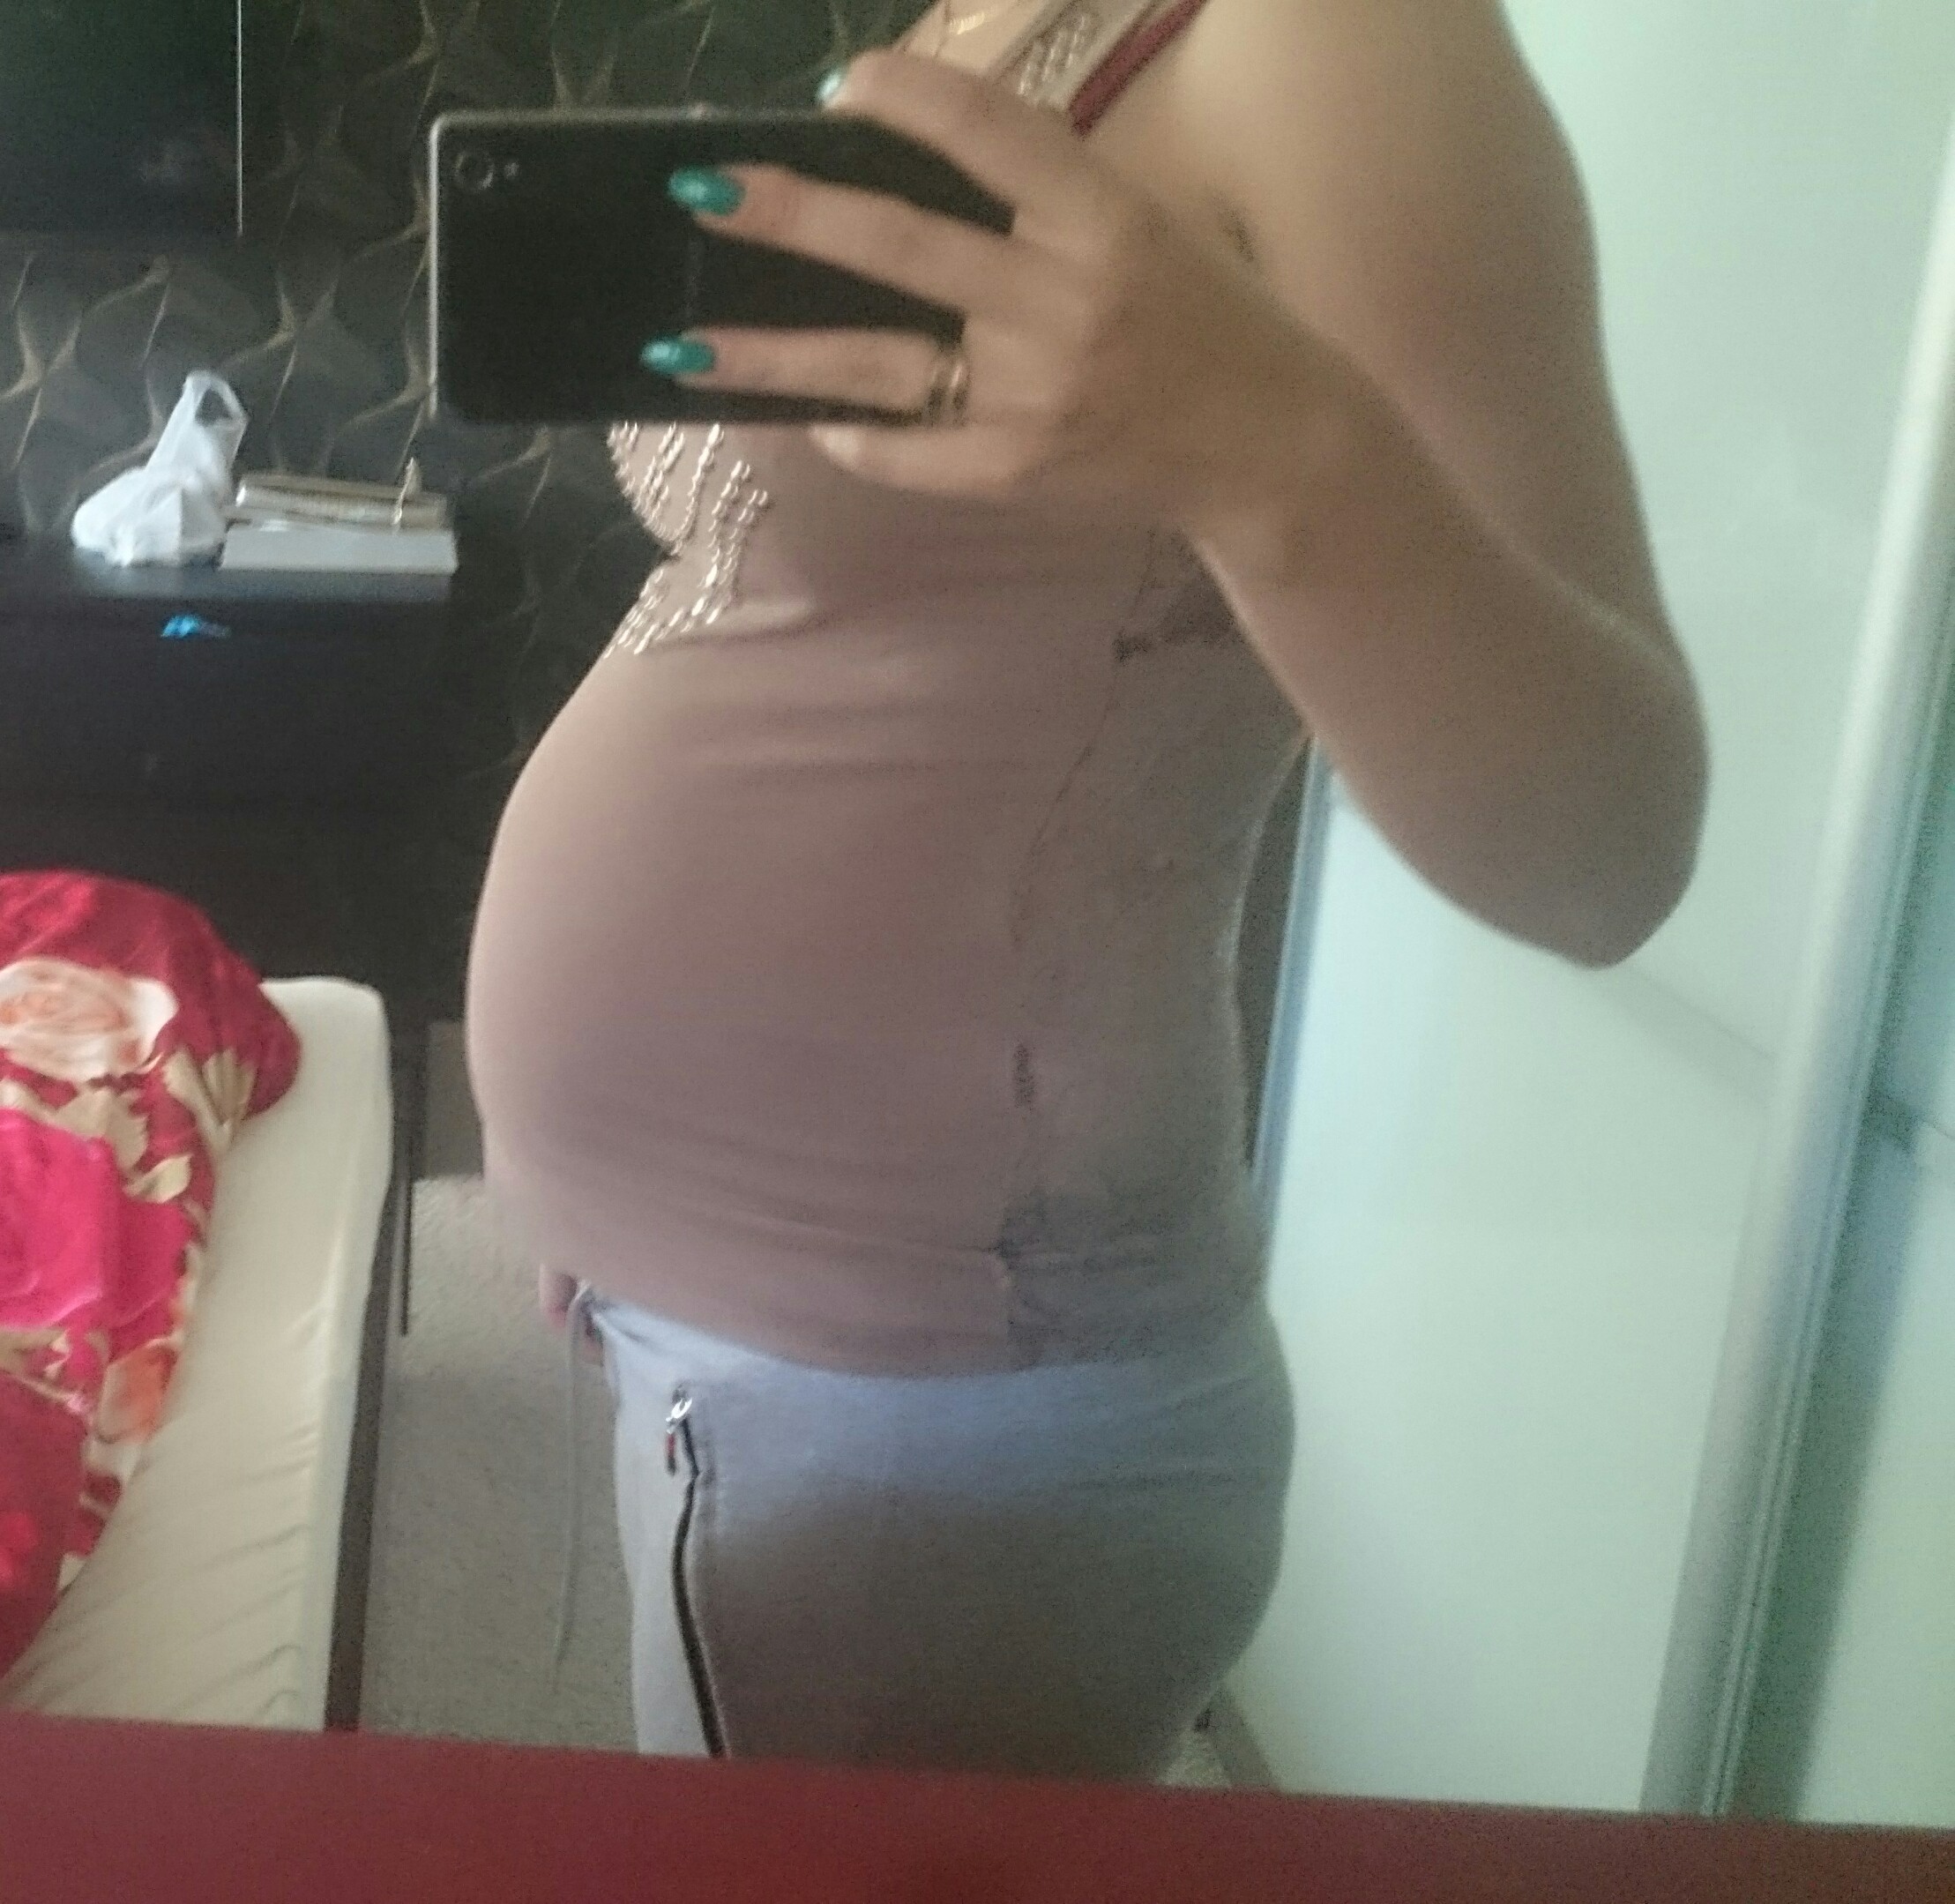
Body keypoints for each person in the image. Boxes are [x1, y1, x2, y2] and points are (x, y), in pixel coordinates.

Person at [466, 0, 1707, 1779]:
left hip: (928, 1397)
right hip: (751, 1320)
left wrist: (1264, 445)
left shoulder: (1332, 39)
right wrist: (612, 1196)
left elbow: (1605, 853)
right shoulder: (974, 28)